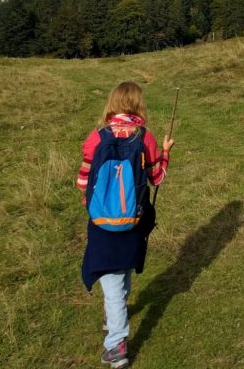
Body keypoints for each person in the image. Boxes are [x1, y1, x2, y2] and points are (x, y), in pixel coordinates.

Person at [76, 81, 174, 368]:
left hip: (102, 223)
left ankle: (116, 345)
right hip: (133, 221)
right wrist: (166, 152)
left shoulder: (97, 136)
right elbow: (156, 178)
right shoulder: (146, 137)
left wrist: (95, 202)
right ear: (138, 105)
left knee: (114, 284)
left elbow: (82, 181)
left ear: (112, 104)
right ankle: (113, 318)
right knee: (122, 274)